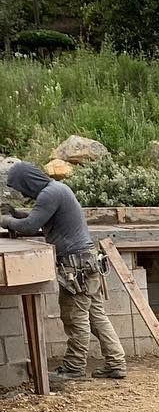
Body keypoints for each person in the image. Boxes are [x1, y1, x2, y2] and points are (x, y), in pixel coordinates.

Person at [1, 162, 127, 383]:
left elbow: (31, 226)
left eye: (21, 188)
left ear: (27, 182)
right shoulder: (57, 190)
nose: (21, 193)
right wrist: (16, 215)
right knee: (96, 316)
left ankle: (74, 368)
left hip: (75, 266)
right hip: (87, 262)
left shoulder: (49, 194)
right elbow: (40, 218)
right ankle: (116, 363)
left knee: (75, 318)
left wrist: (5, 219)